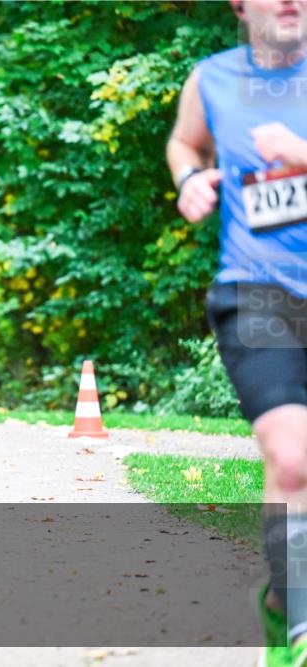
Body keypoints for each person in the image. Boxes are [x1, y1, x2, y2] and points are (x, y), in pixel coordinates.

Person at [166, 1, 306, 664]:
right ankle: (300, 633)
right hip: (256, 288)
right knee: (293, 458)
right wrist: (190, 178)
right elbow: (183, 141)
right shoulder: (211, 78)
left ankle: (283, 600)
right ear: (240, 6)